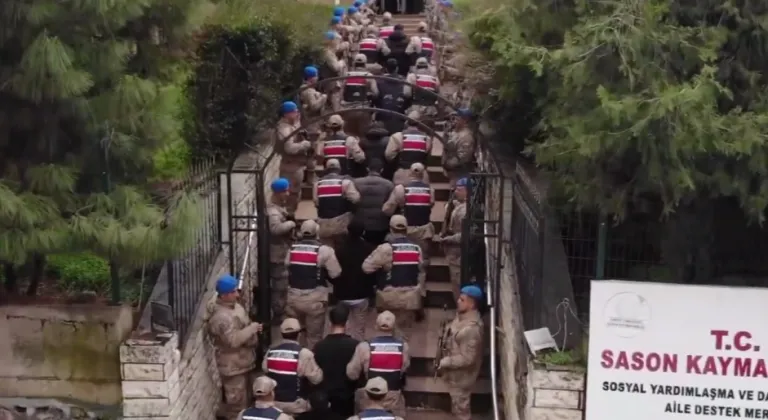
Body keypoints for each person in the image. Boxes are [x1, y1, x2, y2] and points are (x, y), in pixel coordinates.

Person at [207, 275, 263, 420]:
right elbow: (232, 341)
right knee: (237, 405)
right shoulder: (222, 317)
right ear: (225, 295)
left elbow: (243, 324)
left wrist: (253, 329)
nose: (237, 295)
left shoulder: (235, 306)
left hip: (244, 362)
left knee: (249, 398)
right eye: (234, 292)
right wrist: (252, 329)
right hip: (232, 366)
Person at [362, 215, 423, 342]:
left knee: (386, 333)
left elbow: (366, 268)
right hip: (410, 298)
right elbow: (420, 269)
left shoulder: (385, 249)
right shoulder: (416, 248)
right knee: (404, 335)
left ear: (390, 229)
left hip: (388, 297)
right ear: (406, 229)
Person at [285, 220, 342, 349]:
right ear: (317, 232)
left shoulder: (292, 249)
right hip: (314, 300)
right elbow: (335, 273)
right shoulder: (325, 251)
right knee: (314, 337)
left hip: (293, 298)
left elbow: (287, 265)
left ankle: (296, 358)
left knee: (295, 333)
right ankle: (311, 361)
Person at [382, 163, 434, 301]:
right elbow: (431, 204)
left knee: (401, 261)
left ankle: (401, 295)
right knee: (421, 265)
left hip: (406, 231)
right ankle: (420, 296)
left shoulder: (401, 189)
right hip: (424, 231)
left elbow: (387, 209)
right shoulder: (430, 189)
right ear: (423, 174)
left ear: (409, 173)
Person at [346, 311, 409, 417]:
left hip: (369, 397)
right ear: (394, 327)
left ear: (375, 326)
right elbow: (403, 370)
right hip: (393, 397)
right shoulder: (403, 346)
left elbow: (352, 374)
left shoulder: (365, 346)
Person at [436, 285, 485, 420]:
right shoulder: (461, 318)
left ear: (472, 304)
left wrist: (447, 362)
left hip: (462, 377)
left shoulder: (471, 329)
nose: (458, 301)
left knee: (461, 409)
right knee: (456, 404)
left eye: (462, 300)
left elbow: (468, 359)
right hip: (455, 375)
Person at [264, 318, 324, 417]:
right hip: (296, 405)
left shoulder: (270, 352)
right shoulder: (304, 353)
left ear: (281, 334)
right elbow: (317, 379)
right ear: (299, 334)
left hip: (275, 404)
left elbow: (265, 369)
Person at [313, 306, 363, 420]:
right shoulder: (355, 345)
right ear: (347, 323)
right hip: (347, 397)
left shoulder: (319, 346)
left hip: (326, 396)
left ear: (330, 322)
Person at [332, 224, 378, 340]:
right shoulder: (368, 249)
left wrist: (336, 284)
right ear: (363, 232)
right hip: (362, 294)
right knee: (359, 329)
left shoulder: (339, 250)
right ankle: (357, 350)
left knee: (341, 326)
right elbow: (373, 271)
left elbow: (333, 271)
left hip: (342, 293)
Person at [267, 178, 298, 323]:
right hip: (277, 254)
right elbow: (275, 229)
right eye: (285, 190)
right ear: (279, 193)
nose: (288, 193)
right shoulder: (273, 212)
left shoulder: (279, 206)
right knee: (280, 286)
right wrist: (290, 224)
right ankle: (278, 314)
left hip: (282, 250)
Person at [314, 158, 361, 250]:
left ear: (326, 169)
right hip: (341, 224)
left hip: (323, 224)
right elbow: (356, 199)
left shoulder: (317, 184)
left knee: (327, 249)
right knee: (341, 249)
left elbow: (316, 202)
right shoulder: (345, 182)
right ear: (339, 168)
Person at [433, 177, 467, 301]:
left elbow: (465, 235)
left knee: (457, 285)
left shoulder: (464, 211)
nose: (455, 192)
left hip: (458, 254)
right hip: (454, 253)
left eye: (459, 190)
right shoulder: (459, 205)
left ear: (467, 191)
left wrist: (448, 239)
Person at [276, 101, 312, 214]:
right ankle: (289, 218)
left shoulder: (292, 124)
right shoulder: (284, 129)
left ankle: (291, 215)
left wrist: (297, 123)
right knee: (290, 196)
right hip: (291, 168)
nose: (297, 113)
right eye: (294, 111)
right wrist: (304, 145)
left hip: (296, 167)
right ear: (286, 114)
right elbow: (289, 148)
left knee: (295, 194)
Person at [351, 160, 394, 245]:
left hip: (361, 223)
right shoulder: (388, 184)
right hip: (380, 224)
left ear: (367, 169)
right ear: (381, 170)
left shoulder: (356, 182)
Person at [385, 114, 433, 185]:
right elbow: (428, 156)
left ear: (406, 122)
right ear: (420, 124)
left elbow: (389, 155)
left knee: (400, 193)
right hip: (421, 174)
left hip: (403, 172)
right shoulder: (427, 138)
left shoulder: (397, 136)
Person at [300, 66, 327, 184]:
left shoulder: (307, 89)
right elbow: (314, 106)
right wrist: (323, 98)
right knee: (312, 152)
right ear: (312, 77)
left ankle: (310, 176)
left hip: (312, 123)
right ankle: (310, 179)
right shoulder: (308, 91)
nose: (317, 78)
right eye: (316, 76)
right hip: (311, 124)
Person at [442, 109, 476, 187]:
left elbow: (463, 156)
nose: (455, 121)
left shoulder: (466, 136)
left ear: (465, 121)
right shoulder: (456, 132)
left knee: (458, 193)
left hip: (460, 172)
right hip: (453, 172)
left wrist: (449, 164)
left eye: (458, 119)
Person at [321, 31, 348, 111]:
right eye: (336, 40)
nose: (337, 42)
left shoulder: (326, 51)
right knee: (334, 100)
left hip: (328, 80)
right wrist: (341, 63)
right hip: (330, 81)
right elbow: (335, 67)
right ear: (331, 41)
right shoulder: (327, 53)